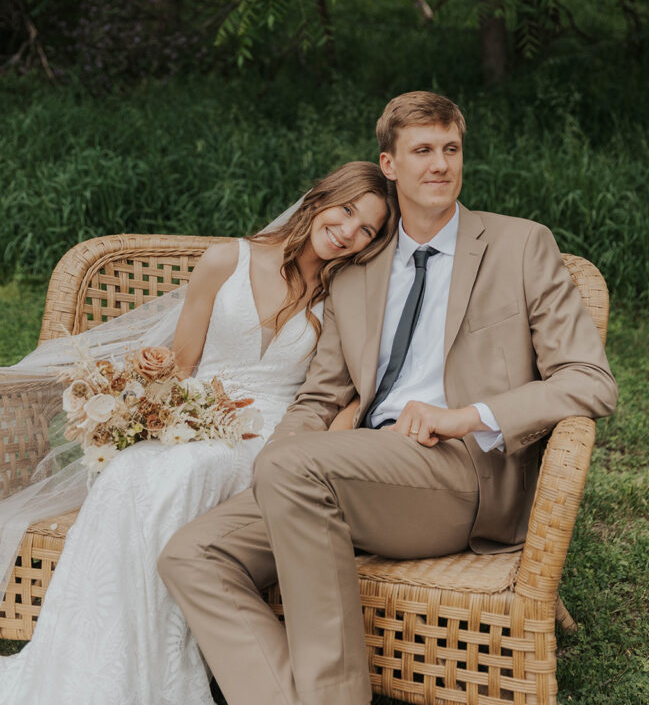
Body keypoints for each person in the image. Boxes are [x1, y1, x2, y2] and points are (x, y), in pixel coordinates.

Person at [159, 90, 619, 705]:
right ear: (390, 165)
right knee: (193, 555)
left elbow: (590, 380)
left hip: (463, 474)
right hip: (348, 471)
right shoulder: (359, 271)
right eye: (422, 150)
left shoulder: (519, 246)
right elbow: (319, 400)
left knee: (295, 470)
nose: (440, 165)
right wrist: (275, 466)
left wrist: (466, 417)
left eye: (451, 149)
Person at [0, 161, 398, 705]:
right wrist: (149, 395)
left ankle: (153, 670)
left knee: (188, 470)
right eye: (348, 210)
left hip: (271, 435)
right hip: (199, 413)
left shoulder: (345, 294)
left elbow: (353, 383)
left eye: (368, 230)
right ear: (321, 197)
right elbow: (182, 362)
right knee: (131, 470)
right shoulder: (226, 261)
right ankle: (99, 664)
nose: (350, 231)